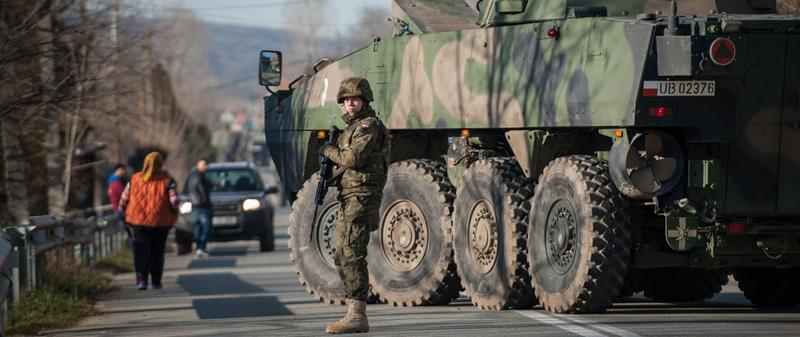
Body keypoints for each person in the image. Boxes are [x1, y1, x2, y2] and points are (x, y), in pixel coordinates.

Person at [320, 77, 391, 334]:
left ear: (365, 101)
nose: (351, 103)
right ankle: (354, 306)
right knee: (342, 253)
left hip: (362, 196)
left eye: (356, 98)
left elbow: (352, 158)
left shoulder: (368, 126)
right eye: (347, 99)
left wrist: (329, 151)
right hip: (350, 196)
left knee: (352, 252)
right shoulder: (350, 129)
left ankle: (357, 315)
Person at [118, 152, 178, 290]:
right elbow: (174, 201)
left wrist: (125, 213)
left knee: (140, 251)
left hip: (137, 222)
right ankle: (156, 281)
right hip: (161, 223)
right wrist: (173, 214)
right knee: (157, 252)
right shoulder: (167, 181)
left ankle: (142, 280)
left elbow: (124, 200)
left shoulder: (134, 179)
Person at [187, 159, 213, 258]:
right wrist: (204, 200)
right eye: (204, 165)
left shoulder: (196, 175)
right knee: (206, 228)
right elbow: (201, 190)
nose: (206, 167)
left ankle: (199, 248)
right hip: (201, 206)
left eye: (207, 165)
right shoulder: (198, 176)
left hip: (196, 206)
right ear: (198, 165)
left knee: (198, 228)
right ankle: (201, 247)